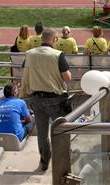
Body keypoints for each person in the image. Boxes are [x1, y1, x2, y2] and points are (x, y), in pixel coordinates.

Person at [20, 28, 72, 172]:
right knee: (62, 131)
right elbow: (67, 77)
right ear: (54, 39)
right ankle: (63, 159)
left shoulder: (30, 54)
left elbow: (24, 72)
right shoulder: (57, 54)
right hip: (55, 99)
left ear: (42, 39)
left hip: (36, 99)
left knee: (42, 134)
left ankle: (44, 161)